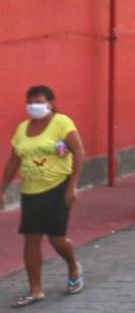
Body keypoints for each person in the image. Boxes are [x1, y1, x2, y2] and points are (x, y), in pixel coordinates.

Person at [3, 85, 85, 306]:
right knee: (31, 239)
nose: (34, 106)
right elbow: (14, 160)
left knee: (56, 238)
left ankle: (73, 265)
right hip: (31, 191)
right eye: (30, 102)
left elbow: (78, 151)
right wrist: (2, 189)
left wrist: (73, 186)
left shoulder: (62, 123)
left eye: (38, 101)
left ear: (50, 103)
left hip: (58, 188)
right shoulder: (22, 128)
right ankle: (35, 290)